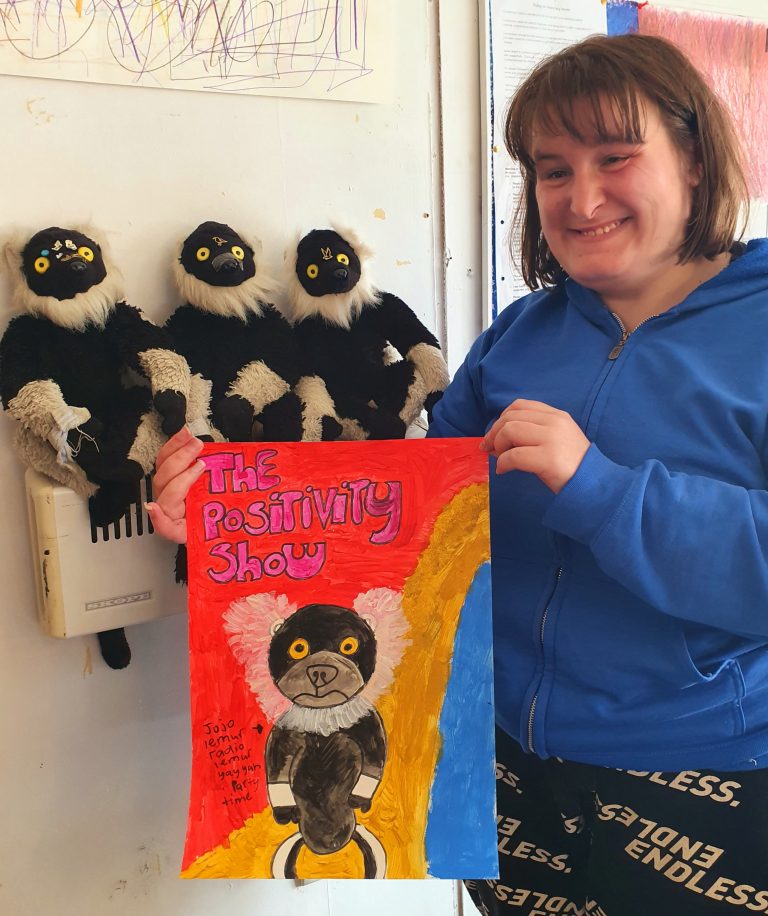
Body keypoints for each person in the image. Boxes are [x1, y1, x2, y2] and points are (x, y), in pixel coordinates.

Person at [150, 33, 768, 915]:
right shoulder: (519, 335)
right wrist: (234, 508)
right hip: (505, 760)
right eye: (551, 170)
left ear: (697, 161)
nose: (581, 197)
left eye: (615, 158)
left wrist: (599, 488)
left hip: (705, 772)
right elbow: (409, 521)